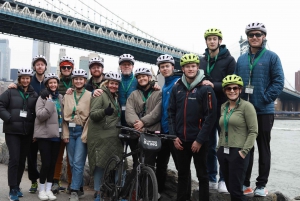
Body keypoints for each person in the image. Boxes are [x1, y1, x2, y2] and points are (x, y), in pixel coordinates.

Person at [235, 22, 284, 196]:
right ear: (247, 38)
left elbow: (278, 82)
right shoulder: (240, 60)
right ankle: (245, 184)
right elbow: (235, 83)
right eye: (251, 35)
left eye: (258, 34)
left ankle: (261, 185)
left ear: (264, 37)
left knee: (263, 147)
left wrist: (264, 99)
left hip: (264, 111)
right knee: (245, 148)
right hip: (244, 111)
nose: (254, 37)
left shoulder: (272, 57)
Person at [168, 53, 217, 201]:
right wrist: (173, 136)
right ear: (183, 69)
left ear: (198, 67)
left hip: (199, 141)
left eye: (193, 66)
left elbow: (211, 117)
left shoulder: (206, 89)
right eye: (187, 66)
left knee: (202, 175)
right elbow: (170, 112)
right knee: (183, 174)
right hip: (180, 140)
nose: (190, 69)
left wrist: (200, 140)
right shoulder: (177, 88)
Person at [200, 28, 236, 193]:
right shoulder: (201, 61)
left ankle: (224, 179)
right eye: (209, 39)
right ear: (206, 42)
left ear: (220, 41)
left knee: (224, 145)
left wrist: (214, 85)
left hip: (223, 107)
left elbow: (232, 84)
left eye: (215, 39)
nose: (212, 41)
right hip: (205, 109)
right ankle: (211, 178)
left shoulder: (229, 60)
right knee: (208, 145)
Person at [7, 55, 48, 193]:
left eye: (42, 64)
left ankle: (20, 186)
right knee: (22, 157)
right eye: (38, 64)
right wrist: (8, 118)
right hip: (19, 128)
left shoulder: (41, 88)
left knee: (31, 157)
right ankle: (22, 185)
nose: (40, 66)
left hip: (35, 128)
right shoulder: (18, 88)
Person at [155, 54, 191, 196]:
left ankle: (186, 196)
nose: (164, 69)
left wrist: (175, 132)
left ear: (173, 67)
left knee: (181, 167)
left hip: (175, 132)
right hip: (164, 131)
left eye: (167, 66)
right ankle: (158, 193)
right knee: (161, 164)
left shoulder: (179, 83)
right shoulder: (165, 86)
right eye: (162, 67)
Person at [217, 75, 258, 201]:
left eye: (235, 88)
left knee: (236, 190)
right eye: (228, 88)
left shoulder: (247, 106)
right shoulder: (223, 107)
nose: (232, 91)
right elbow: (223, 129)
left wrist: (244, 151)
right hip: (223, 151)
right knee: (230, 188)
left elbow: (253, 131)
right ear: (225, 91)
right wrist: (218, 148)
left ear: (240, 90)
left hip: (238, 152)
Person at [0, 68, 38, 201]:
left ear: (30, 79)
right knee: (14, 159)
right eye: (23, 78)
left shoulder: (34, 95)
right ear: (19, 79)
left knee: (22, 161)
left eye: (28, 78)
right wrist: (8, 118)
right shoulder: (11, 91)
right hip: (12, 131)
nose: (26, 80)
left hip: (27, 132)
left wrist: (35, 132)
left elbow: (36, 114)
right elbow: (0, 105)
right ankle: (12, 189)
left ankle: (17, 186)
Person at [87, 71, 122, 201]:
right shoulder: (100, 94)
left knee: (117, 163)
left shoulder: (115, 96)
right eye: (112, 83)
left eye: (116, 84)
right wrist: (104, 112)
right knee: (99, 164)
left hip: (112, 135)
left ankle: (117, 191)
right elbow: (93, 114)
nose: (114, 86)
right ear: (106, 83)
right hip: (100, 135)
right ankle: (98, 192)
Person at [33, 73, 64, 201]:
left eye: (55, 82)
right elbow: (40, 115)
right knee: (45, 163)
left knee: (52, 163)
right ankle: (41, 190)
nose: (53, 84)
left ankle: (48, 189)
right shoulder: (42, 97)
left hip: (57, 135)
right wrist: (49, 103)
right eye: (50, 83)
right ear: (47, 84)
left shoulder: (61, 97)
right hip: (45, 135)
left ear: (57, 84)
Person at [62, 69, 91, 201]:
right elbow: (63, 118)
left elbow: (90, 118)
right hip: (70, 130)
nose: (78, 81)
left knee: (78, 162)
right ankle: (79, 188)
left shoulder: (90, 95)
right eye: (76, 79)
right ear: (73, 81)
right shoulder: (67, 95)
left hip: (82, 131)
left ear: (85, 81)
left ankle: (74, 190)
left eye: (81, 79)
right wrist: (65, 134)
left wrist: (85, 134)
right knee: (72, 163)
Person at [125, 67, 162, 167]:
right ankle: (135, 182)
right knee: (136, 162)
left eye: (144, 76)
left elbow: (157, 112)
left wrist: (143, 122)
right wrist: (137, 124)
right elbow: (129, 111)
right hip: (136, 131)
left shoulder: (158, 93)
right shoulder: (133, 94)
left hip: (152, 133)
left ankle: (149, 182)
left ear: (150, 77)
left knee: (150, 163)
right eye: (139, 77)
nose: (142, 79)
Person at [51, 56, 74, 194]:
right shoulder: (56, 83)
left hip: (72, 124)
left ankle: (72, 183)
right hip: (58, 123)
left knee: (71, 157)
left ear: (72, 68)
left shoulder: (78, 81)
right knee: (58, 155)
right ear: (60, 68)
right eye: (64, 67)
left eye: (69, 67)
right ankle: (55, 181)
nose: (66, 69)